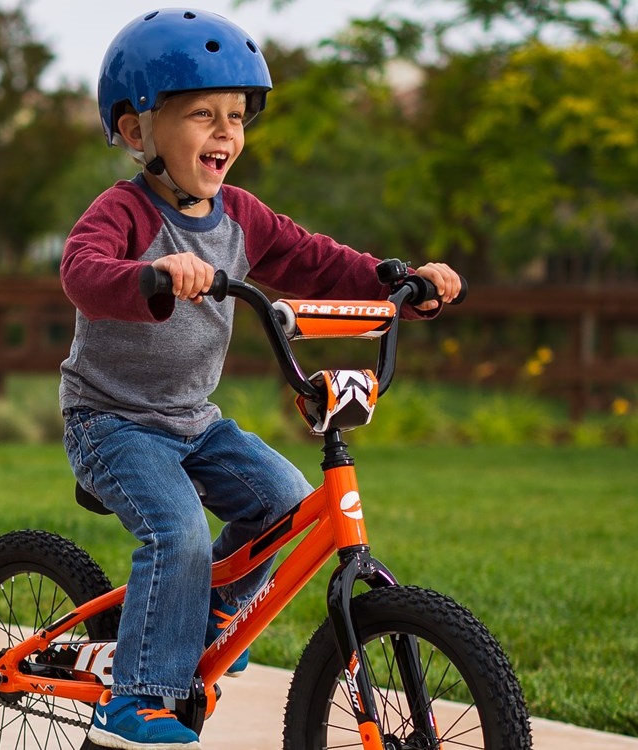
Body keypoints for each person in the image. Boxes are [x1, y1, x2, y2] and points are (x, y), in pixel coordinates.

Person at [58, 8, 463, 749]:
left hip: (193, 420)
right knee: (178, 532)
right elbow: (82, 271)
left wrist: (398, 282)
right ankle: (137, 696)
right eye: (202, 115)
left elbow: (314, 260)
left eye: (237, 116)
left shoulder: (240, 216)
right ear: (138, 130)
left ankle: (211, 614)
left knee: (284, 502)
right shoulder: (123, 212)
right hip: (111, 422)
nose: (225, 132)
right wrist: (151, 275)